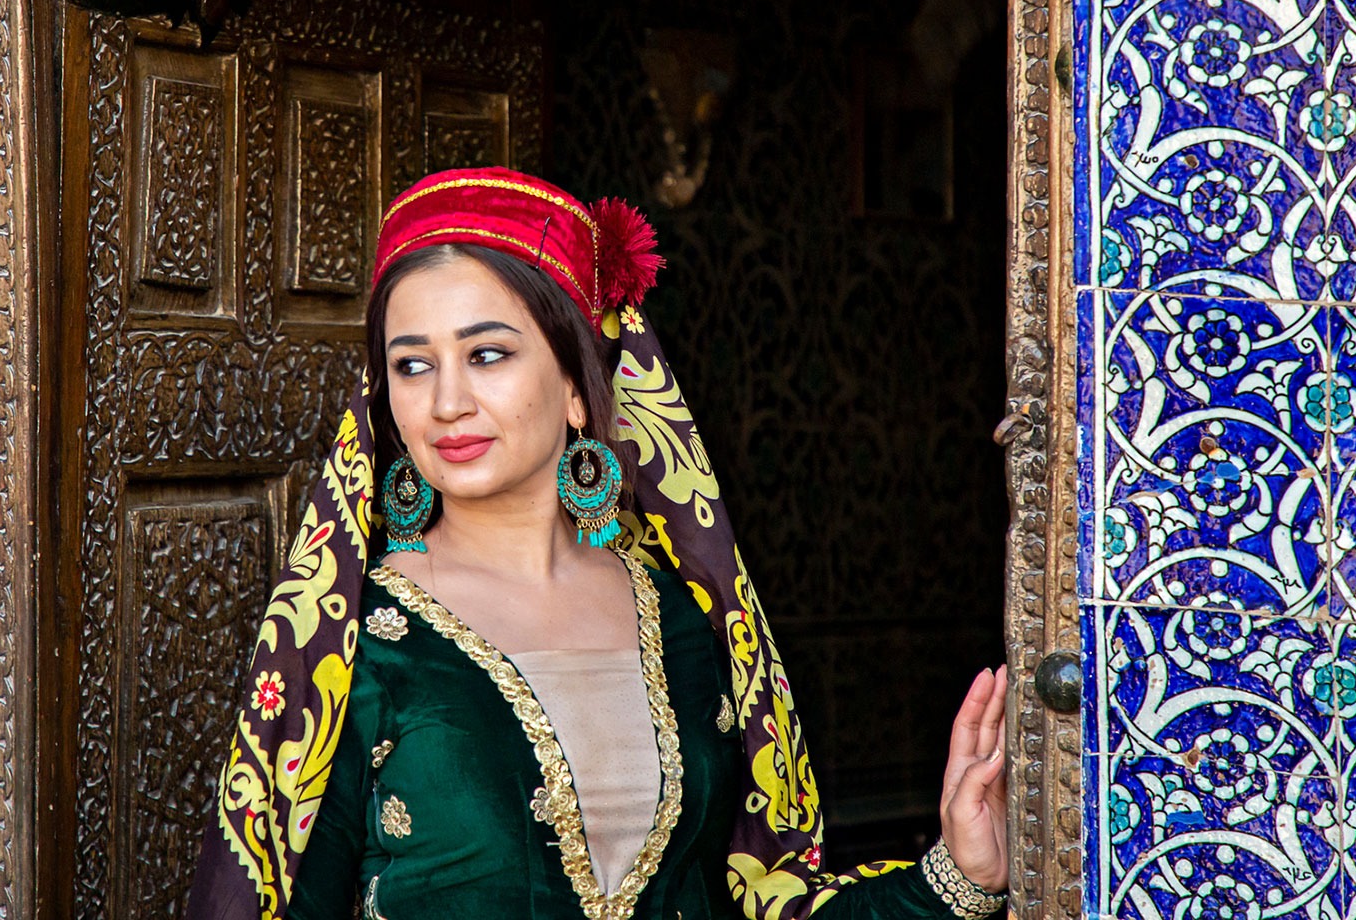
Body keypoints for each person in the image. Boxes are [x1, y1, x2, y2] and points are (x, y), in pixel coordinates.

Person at [187, 167, 1010, 920]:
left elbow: (758, 903)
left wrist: (960, 877)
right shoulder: (354, 647)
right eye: (411, 366)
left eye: (486, 355)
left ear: (579, 389)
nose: (446, 402)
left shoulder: (685, 621)